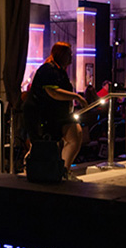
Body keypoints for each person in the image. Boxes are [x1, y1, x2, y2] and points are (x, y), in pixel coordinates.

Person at [22, 42, 88, 181]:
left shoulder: (58, 70)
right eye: (69, 54)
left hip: (55, 114)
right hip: (42, 115)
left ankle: (62, 171)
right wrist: (76, 97)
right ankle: (59, 171)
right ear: (61, 54)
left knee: (75, 135)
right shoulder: (48, 69)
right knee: (54, 142)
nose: (71, 57)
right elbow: (53, 92)